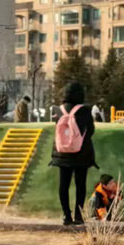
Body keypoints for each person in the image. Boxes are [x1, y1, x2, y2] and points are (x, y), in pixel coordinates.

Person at [50, 81, 96, 225]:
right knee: (80, 185)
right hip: (81, 153)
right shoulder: (85, 110)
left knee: (63, 185)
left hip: (62, 153)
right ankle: (78, 215)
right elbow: (91, 131)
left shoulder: (58, 110)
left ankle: (66, 215)